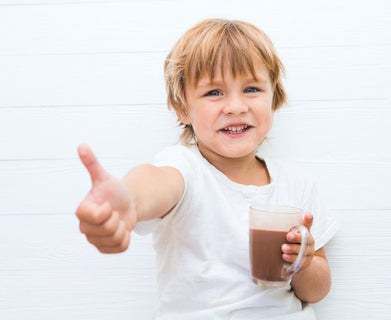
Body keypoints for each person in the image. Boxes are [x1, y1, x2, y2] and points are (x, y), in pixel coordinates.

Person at [75, 18, 337, 319]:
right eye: (214, 92)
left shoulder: (297, 184)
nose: (236, 106)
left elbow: (316, 291)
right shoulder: (184, 169)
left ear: (273, 98)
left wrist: (303, 264)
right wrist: (125, 200)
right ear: (182, 108)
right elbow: (154, 183)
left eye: (251, 89)